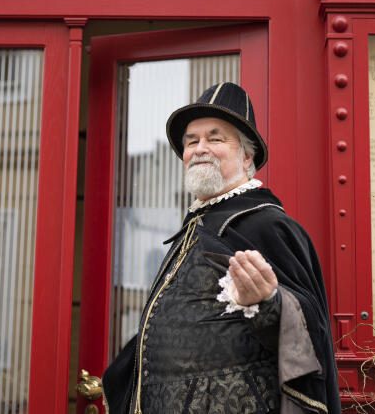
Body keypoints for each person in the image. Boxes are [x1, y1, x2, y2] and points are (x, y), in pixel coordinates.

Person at [102, 82, 341, 414]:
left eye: (215, 139)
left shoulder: (268, 225)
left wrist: (269, 303)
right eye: (191, 141)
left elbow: (310, 326)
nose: (200, 149)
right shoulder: (194, 227)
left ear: (246, 156)